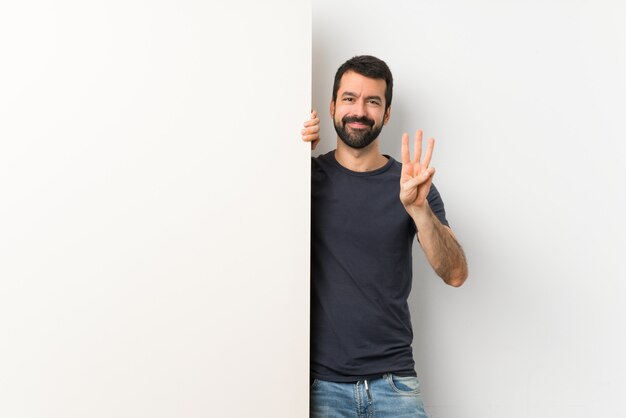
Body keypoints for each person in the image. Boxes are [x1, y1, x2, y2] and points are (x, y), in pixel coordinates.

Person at [301, 55, 468, 418]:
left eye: (372, 101)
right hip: (322, 388)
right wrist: (293, 156)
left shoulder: (411, 185)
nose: (359, 111)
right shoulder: (304, 180)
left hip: (396, 385)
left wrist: (419, 209)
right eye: (349, 99)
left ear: (387, 114)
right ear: (332, 107)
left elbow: (455, 273)